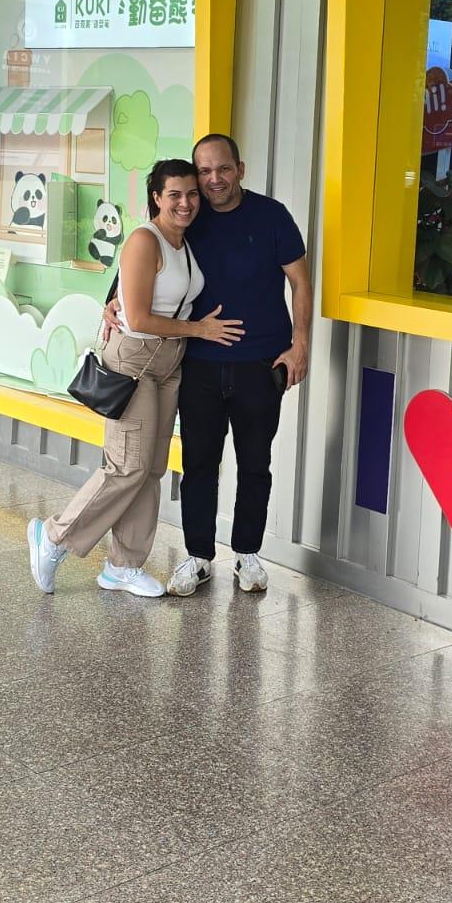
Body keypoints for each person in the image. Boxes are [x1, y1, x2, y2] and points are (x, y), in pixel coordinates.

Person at [104, 133, 312, 595]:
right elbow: (137, 263)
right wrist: (110, 302)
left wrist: (300, 344)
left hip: (261, 363)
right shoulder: (187, 216)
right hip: (196, 364)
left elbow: (300, 281)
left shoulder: (272, 216)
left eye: (223, 168)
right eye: (204, 172)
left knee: (255, 463)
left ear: (240, 169)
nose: (214, 179)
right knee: (198, 464)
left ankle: (248, 555)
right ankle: (197, 557)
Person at [27, 159, 243, 597]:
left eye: (192, 194)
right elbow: (140, 318)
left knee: (151, 469)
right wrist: (199, 330)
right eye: (174, 195)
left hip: (169, 363)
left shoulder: (184, 241)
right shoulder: (146, 239)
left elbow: (132, 292)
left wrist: (117, 304)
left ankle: (123, 566)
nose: (185, 203)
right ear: (156, 198)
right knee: (127, 466)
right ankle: (53, 536)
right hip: (135, 359)